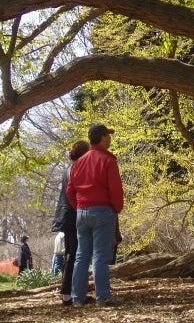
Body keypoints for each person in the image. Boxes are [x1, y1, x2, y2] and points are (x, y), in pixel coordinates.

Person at [66, 124, 124, 307]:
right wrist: (116, 208)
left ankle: (77, 298)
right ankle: (103, 297)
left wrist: (79, 207)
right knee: (100, 255)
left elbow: (70, 191)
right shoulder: (107, 160)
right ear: (101, 137)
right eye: (108, 135)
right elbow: (115, 189)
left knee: (81, 256)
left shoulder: (78, 163)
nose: (110, 138)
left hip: (82, 213)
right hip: (102, 211)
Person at [52, 140, 90, 306]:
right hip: (72, 215)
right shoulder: (76, 168)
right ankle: (69, 293)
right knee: (74, 254)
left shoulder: (71, 168)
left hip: (67, 215)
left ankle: (71, 292)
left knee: (72, 254)